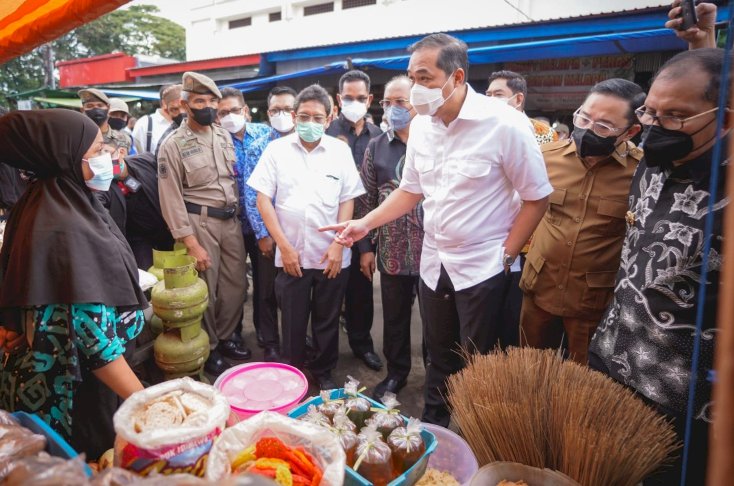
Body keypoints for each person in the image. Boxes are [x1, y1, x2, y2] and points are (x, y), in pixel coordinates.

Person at [323, 33, 552, 426]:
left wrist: (506, 255)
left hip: (484, 266)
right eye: (412, 78)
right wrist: (363, 224)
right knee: (438, 355)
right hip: (435, 262)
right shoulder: (424, 126)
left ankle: (477, 435)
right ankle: (433, 428)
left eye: (425, 78)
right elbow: (410, 191)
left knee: (480, 361)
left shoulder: (506, 125)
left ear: (457, 77)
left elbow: (537, 198)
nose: (416, 89)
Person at [589, 47, 726, 486]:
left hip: (685, 399)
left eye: (674, 116)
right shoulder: (653, 164)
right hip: (613, 356)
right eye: (650, 111)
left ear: (724, 120)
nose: (653, 126)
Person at [0, 109, 148, 459]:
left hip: (63, 378)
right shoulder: (64, 227)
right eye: (96, 150)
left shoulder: (49, 199)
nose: (106, 157)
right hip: (77, 394)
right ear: (64, 155)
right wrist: (149, 405)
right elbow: (98, 348)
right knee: (95, 462)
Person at [248, 84, 365, 390]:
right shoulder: (277, 150)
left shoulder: (340, 151)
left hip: (332, 255)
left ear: (329, 118)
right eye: (303, 116)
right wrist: (284, 248)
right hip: (292, 255)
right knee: (293, 321)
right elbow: (263, 200)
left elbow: (348, 200)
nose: (309, 123)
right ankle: (294, 375)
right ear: (294, 116)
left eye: (317, 117)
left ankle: (324, 372)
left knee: (327, 320)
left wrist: (339, 246)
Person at [519, 79, 644, 364]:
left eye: (603, 126)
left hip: (593, 300)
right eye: (584, 118)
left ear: (630, 131)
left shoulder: (641, 172)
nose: (587, 129)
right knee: (531, 369)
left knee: (583, 380)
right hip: (540, 286)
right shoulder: (545, 157)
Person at [157, 72, 249, 376]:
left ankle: (225, 337)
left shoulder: (222, 135)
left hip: (230, 220)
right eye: (199, 101)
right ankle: (209, 347)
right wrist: (190, 242)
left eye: (212, 101)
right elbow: (170, 198)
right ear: (185, 105)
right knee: (206, 287)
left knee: (236, 284)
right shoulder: (173, 144)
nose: (207, 106)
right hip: (200, 222)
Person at [357, 75, 423, 401]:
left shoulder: (435, 141)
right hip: (392, 253)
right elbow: (366, 201)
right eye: (387, 102)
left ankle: (440, 377)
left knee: (439, 325)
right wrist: (366, 249)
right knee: (394, 320)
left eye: (401, 101)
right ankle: (396, 374)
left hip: (435, 254)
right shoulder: (376, 148)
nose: (393, 108)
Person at [326, 69, 384, 372]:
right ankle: (326, 352)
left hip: (365, 229)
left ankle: (362, 344)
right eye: (348, 98)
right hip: (331, 227)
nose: (354, 102)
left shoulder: (378, 137)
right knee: (327, 296)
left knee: (361, 295)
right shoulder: (325, 133)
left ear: (370, 99)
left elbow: (372, 196)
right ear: (338, 99)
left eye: (360, 98)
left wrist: (365, 246)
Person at [218, 86, 279, 361]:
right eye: (222, 113)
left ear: (244, 110)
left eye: (233, 110)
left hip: (263, 225)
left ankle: (268, 338)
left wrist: (266, 230)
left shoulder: (266, 135)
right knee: (233, 285)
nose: (229, 116)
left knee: (266, 285)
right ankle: (232, 334)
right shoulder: (215, 142)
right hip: (229, 226)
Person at [486, 71, 558, 145]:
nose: (491, 99)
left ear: (518, 99)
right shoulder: (482, 130)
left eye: (498, 94)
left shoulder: (544, 133)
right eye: (488, 95)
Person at [78, 88, 132, 158]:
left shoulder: (124, 139)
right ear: (83, 110)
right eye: (90, 106)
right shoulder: (77, 138)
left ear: (108, 108)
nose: (96, 109)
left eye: (100, 105)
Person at [133, 84, 183, 154]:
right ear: (164, 103)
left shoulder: (185, 120)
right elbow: (140, 153)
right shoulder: (145, 124)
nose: (181, 110)